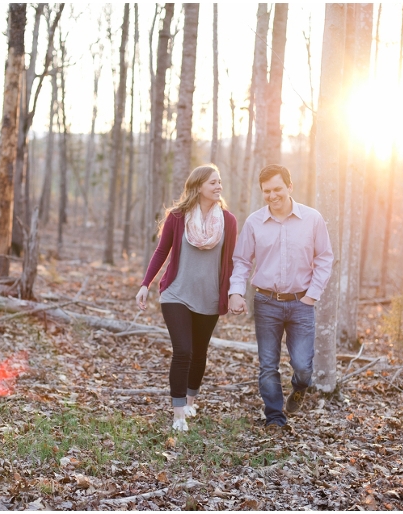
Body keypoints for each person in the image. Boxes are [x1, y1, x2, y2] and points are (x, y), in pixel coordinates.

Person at [228, 164, 333, 430]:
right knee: (268, 365)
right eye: (267, 191)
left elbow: (324, 258)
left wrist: (312, 296)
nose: (272, 195)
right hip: (266, 303)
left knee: (303, 366)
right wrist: (236, 292)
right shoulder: (254, 222)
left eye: (277, 189)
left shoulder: (312, 219)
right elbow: (242, 260)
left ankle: (300, 387)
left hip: (301, 303)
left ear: (290, 187)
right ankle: (275, 417)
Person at [136, 164, 238, 432]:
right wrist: (146, 283)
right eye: (213, 182)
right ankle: (178, 413)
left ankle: (191, 401)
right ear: (198, 186)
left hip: (209, 297)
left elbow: (231, 261)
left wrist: (234, 293)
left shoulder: (228, 221)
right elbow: (161, 251)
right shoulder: (178, 217)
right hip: (176, 293)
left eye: (219, 182)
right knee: (183, 351)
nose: (218, 186)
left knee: (199, 352)